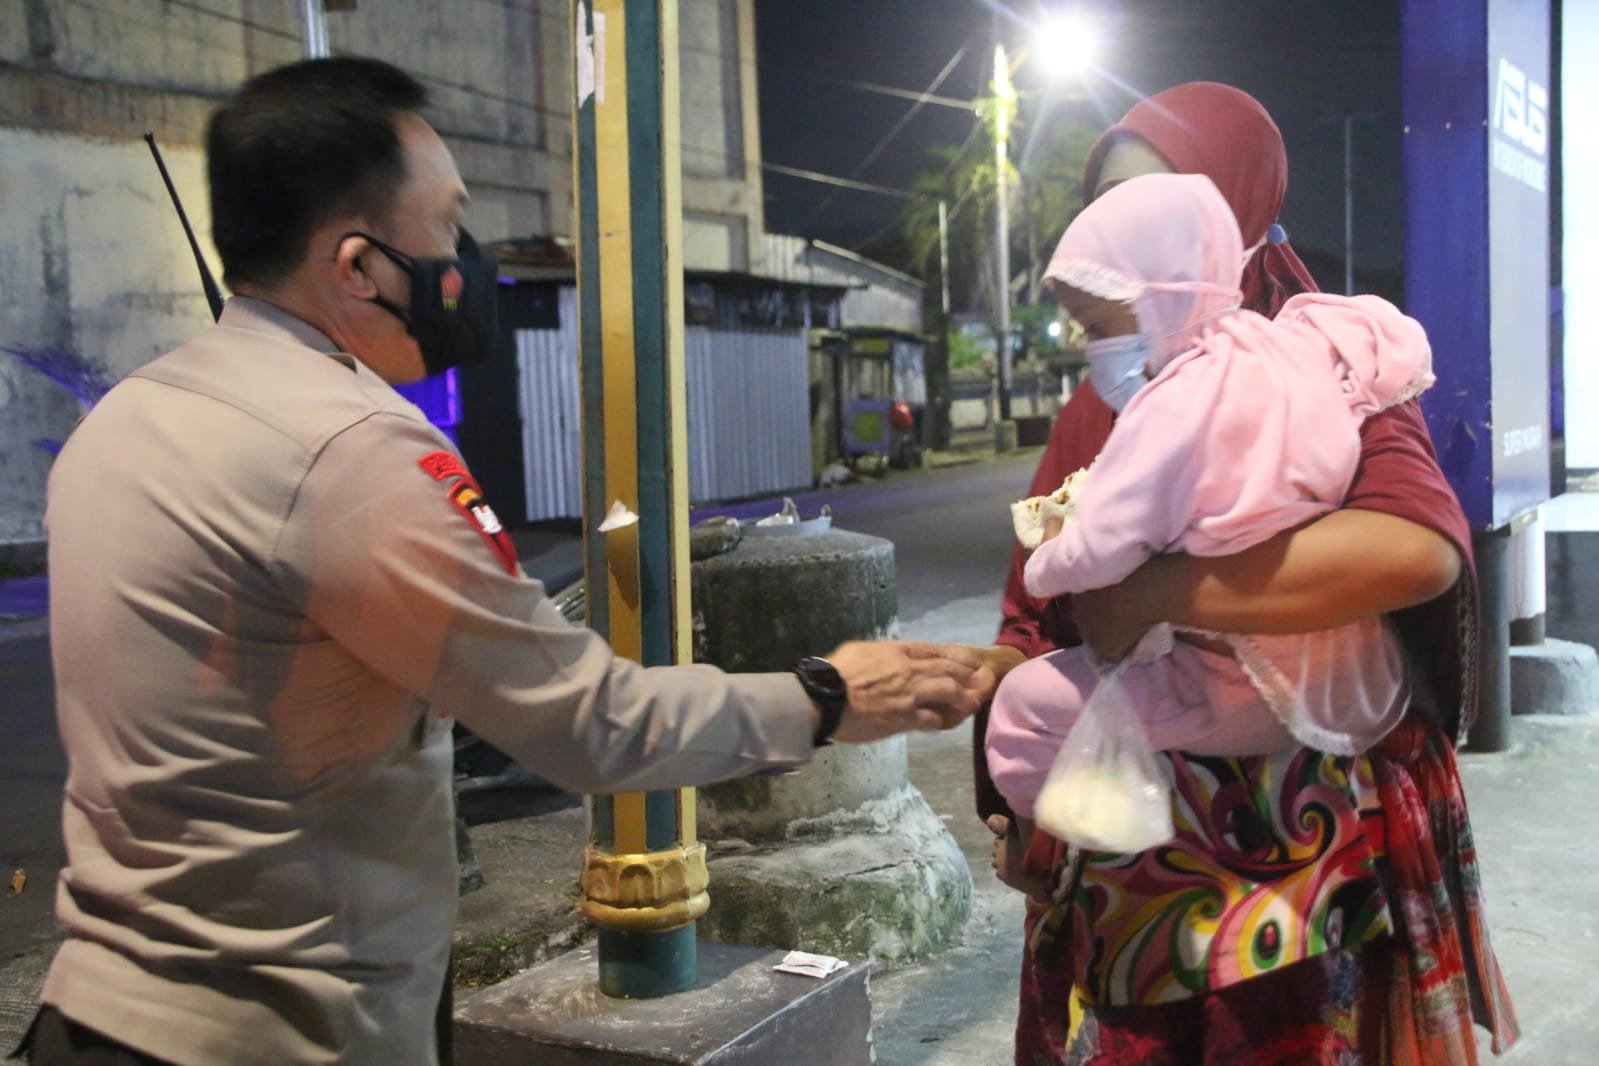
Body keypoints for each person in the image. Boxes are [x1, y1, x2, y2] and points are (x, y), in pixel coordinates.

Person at [20, 58, 992, 1066]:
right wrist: (828, 697)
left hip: (93, 1015)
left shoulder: (123, 420)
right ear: (359, 265)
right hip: (280, 1031)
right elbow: (591, 723)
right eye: (446, 226)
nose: (463, 258)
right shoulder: (351, 450)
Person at [970, 82, 1519, 1063]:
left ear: (1240, 217)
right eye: (1106, 212)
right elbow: (1031, 614)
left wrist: (1154, 592)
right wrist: (1011, 798)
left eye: (1164, 204)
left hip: (1310, 847)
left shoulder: (1320, 356)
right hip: (1134, 851)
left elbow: (1417, 549)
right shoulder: (1099, 408)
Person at [988, 172, 1436, 839]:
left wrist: (1062, 571)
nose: (1090, 347)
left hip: (1263, 767)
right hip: (1329, 683)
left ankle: (1076, 835)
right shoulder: (1306, 349)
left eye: (1097, 323)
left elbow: (1415, 557)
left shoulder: (1173, 402)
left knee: (1025, 711)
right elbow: (1031, 627)